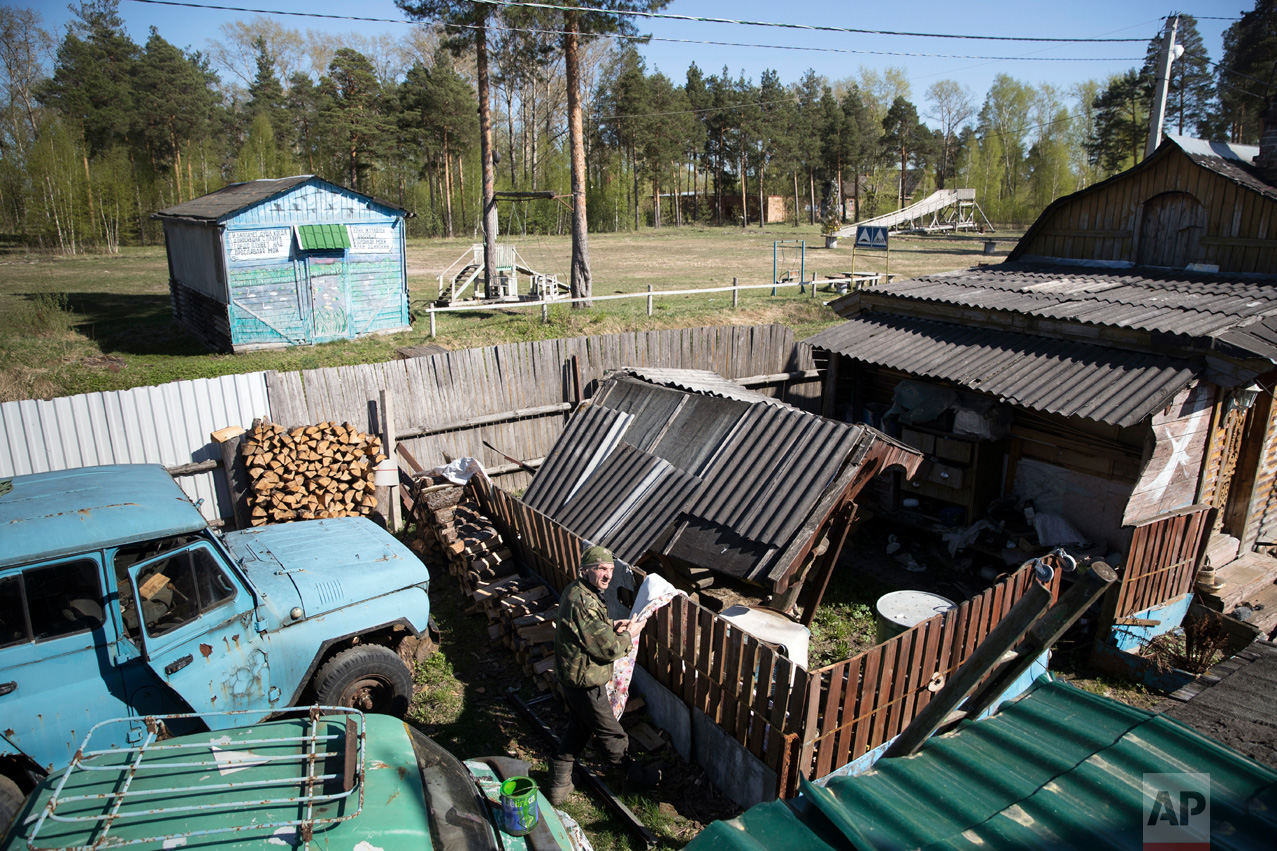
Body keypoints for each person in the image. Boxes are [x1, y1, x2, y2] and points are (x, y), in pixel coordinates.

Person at [545, 545, 648, 805]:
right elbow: (607, 649)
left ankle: (559, 784)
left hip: (575, 675)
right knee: (611, 732)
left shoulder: (578, 590)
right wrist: (629, 634)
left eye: (611, 570)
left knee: (579, 727)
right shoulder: (584, 601)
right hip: (585, 680)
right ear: (585, 571)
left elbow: (583, 629)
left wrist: (611, 625)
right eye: (601, 569)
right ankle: (634, 781)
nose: (607, 575)